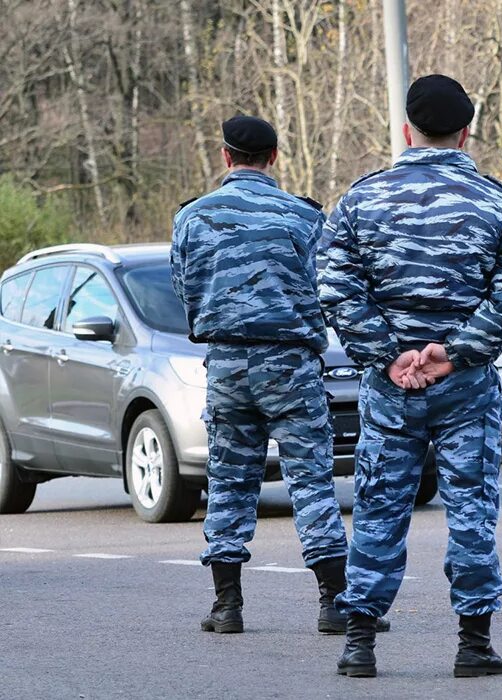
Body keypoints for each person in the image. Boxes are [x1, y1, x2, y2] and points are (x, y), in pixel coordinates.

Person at [321, 74, 502, 679]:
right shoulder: (496, 201)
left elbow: (335, 285)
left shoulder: (362, 199)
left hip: (390, 387)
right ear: (467, 132)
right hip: (465, 388)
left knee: (378, 505)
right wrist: (460, 351)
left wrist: (385, 353)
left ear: (405, 130)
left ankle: (359, 643)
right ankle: (473, 646)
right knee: (471, 509)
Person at [172, 115, 386, 636]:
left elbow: (184, 287)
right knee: (311, 480)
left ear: (226, 157)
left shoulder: (192, 218)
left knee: (228, 483)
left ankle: (227, 607)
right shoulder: (303, 216)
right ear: (274, 158)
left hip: (225, 363)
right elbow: (330, 287)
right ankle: (333, 603)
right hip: (290, 363)